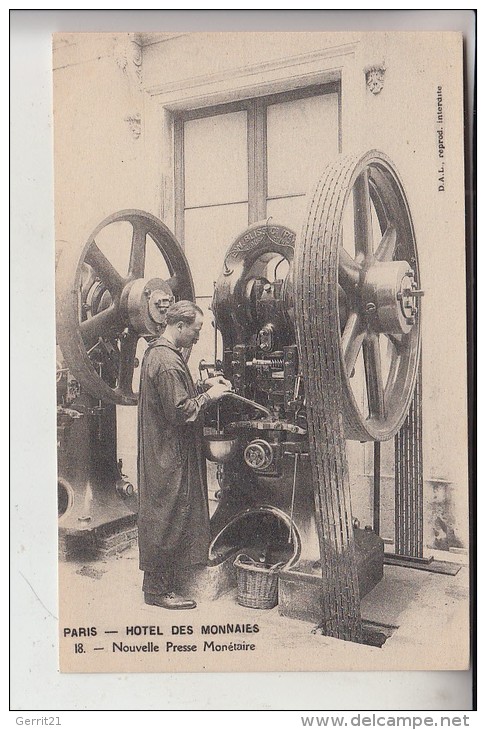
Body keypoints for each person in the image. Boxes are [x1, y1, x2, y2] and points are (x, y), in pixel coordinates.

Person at [137, 300, 232, 610]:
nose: (198, 336)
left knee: (171, 512)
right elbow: (180, 411)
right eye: (196, 329)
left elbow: (176, 394)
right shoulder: (165, 360)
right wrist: (208, 396)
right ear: (179, 326)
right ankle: (157, 591)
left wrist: (202, 384)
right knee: (167, 514)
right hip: (169, 453)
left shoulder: (161, 354)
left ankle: (165, 582)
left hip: (168, 449)